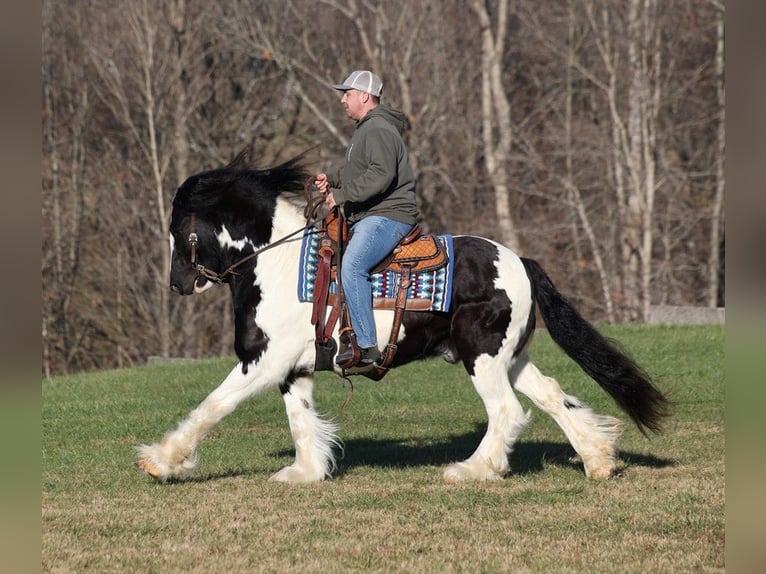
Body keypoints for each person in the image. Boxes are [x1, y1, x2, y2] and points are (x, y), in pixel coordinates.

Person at [314, 70, 418, 369]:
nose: (342, 100)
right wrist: (331, 179)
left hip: (388, 215)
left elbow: (381, 175)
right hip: (375, 214)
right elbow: (360, 170)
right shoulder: (367, 129)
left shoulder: (377, 129)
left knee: (353, 265)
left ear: (364, 96)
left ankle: (367, 347)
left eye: (347, 94)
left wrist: (343, 195)